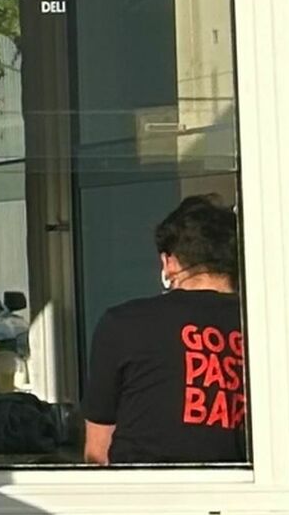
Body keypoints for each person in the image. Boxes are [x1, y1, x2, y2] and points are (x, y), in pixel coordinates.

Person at [82, 195, 249, 465]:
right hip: (239, 494)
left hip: (142, 494)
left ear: (169, 262)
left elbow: (97, 452)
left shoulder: (124, 323)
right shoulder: (264, 327)